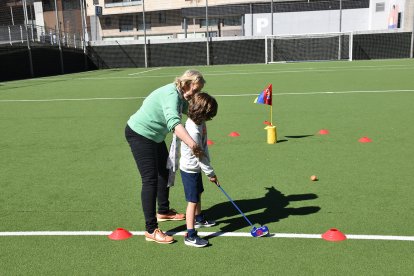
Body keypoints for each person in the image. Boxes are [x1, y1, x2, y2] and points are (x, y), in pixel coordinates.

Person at [125, 69, 205, 244]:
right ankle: (151, 230)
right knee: (150, 180)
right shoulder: (172, 95)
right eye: (195, 89)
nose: (196, 94)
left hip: (155, 137)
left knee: (164, 171)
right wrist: (193, 144)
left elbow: (191, 112)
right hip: (140, 134)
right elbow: (174, 124)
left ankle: (163, 211)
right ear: (186, 84)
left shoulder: (182, 96)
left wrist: (202, 121)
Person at [180, 92, 218, 248]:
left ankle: (200, 218)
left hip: (196, 167)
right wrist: (210, 173)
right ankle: (190, 234)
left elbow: (204, 148)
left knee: (198, 193)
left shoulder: (200, 123)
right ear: (201, 113)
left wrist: (208, 165)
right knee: (192, 201)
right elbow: (200, 155)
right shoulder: (193, 130)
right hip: (190, 169)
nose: (209, 119)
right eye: (208, 115)